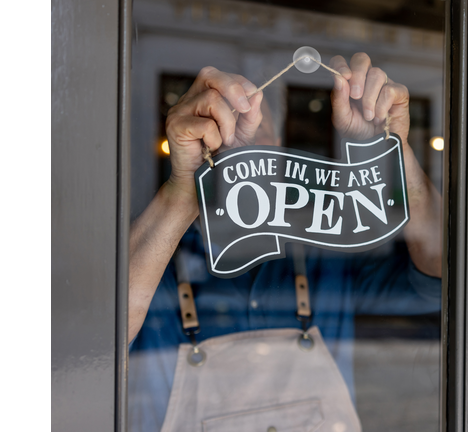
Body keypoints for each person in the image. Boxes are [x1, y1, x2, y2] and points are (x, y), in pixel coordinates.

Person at [128, 53, 443, 431]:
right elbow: (90, 342)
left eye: (258, 129)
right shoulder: (153, 262)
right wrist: (184, 191)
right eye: (224, 123)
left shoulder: (325, 254)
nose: (240, 138)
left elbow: (443, 274)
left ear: (277, 145)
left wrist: (392, 153)